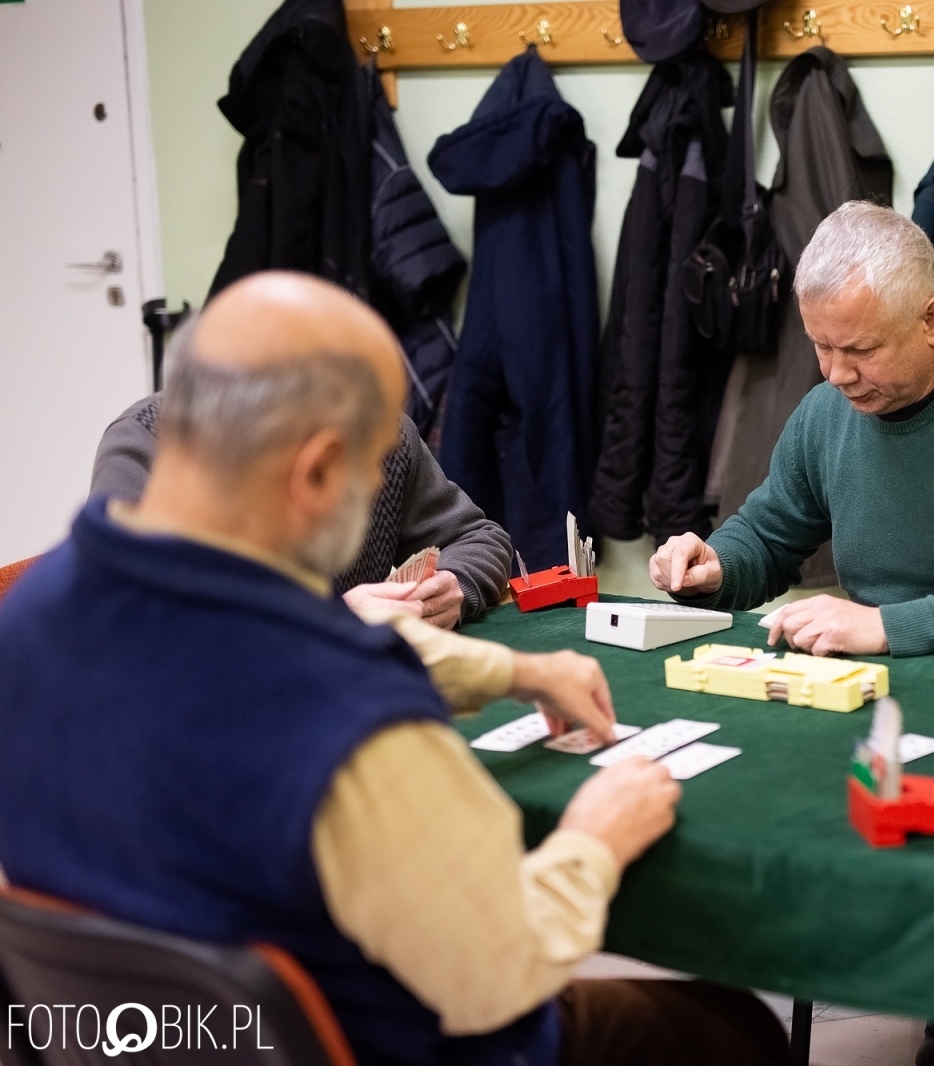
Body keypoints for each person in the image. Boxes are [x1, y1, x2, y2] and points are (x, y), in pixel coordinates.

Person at [0, 273, 787, 1066]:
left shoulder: (28, 618)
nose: (384, 483)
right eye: (374, 464)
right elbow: (498, 972)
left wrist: (513, 671)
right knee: (734, 1031)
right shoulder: (354, 725)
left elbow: (263, 653)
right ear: (315, 472)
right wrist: (592, 840)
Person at [648, 202, 934, 656]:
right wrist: (716, 567)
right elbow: (766, 539)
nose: (836, 374)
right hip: (866, 675)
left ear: (932, 320)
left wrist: (889, 626)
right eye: (821, 345)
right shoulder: (825, 413)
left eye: (861, 350)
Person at [93, 392, 511, 631]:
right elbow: (124, 618)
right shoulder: (151, 444)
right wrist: (327, 624)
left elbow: (477, 537)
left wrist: (453, 586)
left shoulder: (379, 429)